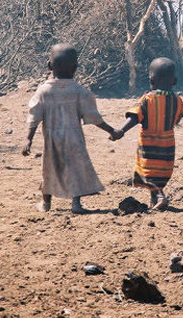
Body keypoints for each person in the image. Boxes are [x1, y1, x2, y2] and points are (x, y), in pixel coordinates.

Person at [22, 44, 120, 214]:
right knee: (75, 169)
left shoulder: (43, 91)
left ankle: (46, 204)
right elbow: (94, 117)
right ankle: (76, 204)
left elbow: (34, 115)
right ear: (75, 68)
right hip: (74, 139)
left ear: (49, 66)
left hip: (52, 139)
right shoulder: (79, 91)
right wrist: (111, 130)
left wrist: (28, 139)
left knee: (49, 169)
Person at [114, 57, 183, 210]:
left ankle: (160, 196)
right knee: (160, 173)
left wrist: (121, 131)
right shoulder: (177, 100)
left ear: (151, 80)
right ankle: (154, 201)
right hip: (168, 144)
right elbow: (182, 113)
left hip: (149, 144)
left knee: (148, 172)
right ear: (174, 81)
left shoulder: (147, 99)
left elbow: (135, 117)